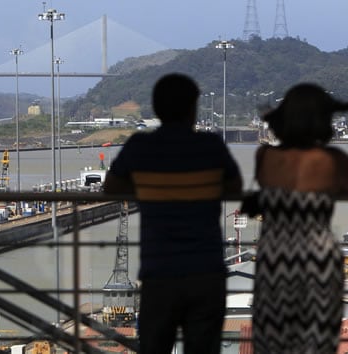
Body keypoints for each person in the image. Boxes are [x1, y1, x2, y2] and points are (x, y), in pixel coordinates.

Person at [103, 73, 243, 354]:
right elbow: (235, 188)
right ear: (193, 108)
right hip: (206, 272)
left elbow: (111, 189)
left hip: (160, 273)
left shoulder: (140, 147)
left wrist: (148, 187)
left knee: (155, 346)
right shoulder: (210, 146)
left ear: (156, 108)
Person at [251, 83, 348, 353]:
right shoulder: (331, 159)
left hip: (275, 256)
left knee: (273, 338)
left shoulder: (266, 156)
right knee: (317, 339)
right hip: (317, 256)